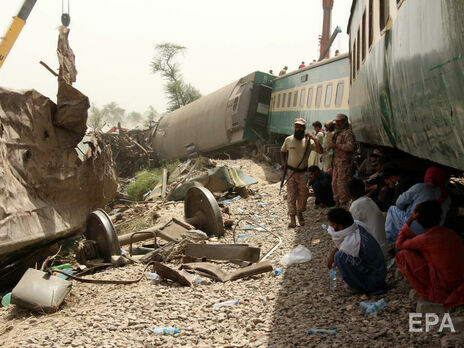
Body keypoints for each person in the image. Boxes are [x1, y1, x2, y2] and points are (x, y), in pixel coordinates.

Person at [396, 201, 464, 309]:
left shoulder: (425, 239)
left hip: (444, 288)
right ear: (440, 217)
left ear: (418, 221)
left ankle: (426, 291)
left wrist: (410, 219)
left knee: (402, 254)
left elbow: (398, 245)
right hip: (459, 282)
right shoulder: (451, 233)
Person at [326, 208, 388, 295]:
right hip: (380, 272)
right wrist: (334, 251)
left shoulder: (353, 241)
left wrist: (335, 255)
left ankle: (359, 286)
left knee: (339, 257)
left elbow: (344, 250)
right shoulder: (357, 226)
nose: (331, 228)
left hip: (374, 279)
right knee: (338, 255)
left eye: (332, 225)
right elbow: (343, 245)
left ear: (339, 226)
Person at [385, 166, 451, 244]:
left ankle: (391, 241)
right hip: (432, 232)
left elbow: (399, 203)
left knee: (392, 209)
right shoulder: (447, 198)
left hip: (414, 227)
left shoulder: (421, 187)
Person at [281, 118, 322, 228]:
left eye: (300, 127)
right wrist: (283, 162)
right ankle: (292, 218)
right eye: (296, 126)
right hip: (291, 172)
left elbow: (320, 151)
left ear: (304, 128)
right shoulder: (288, 139)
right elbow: (283, 151)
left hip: (304, 173)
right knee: (291, 195)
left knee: (303, 195)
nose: (298, 129)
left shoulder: (309, 141)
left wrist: (314, 138)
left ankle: (300, 213)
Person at [348, 179, 388, 258]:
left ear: (350, 193)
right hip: (383, 248)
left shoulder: (356, 206)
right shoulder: (369, 201)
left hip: (374, 253)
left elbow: (350, 231)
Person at [326, 114, 355, 207]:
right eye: (336, 122)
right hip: (337, 163)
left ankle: (344, 204)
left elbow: (351, 147)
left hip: (344, 163)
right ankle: (337, 202)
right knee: (334, 183)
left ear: (344, 122)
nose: (337, 124)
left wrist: (337, 146)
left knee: (342, 184)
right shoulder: (338, 133)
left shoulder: (347, 133)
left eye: (339, 122)